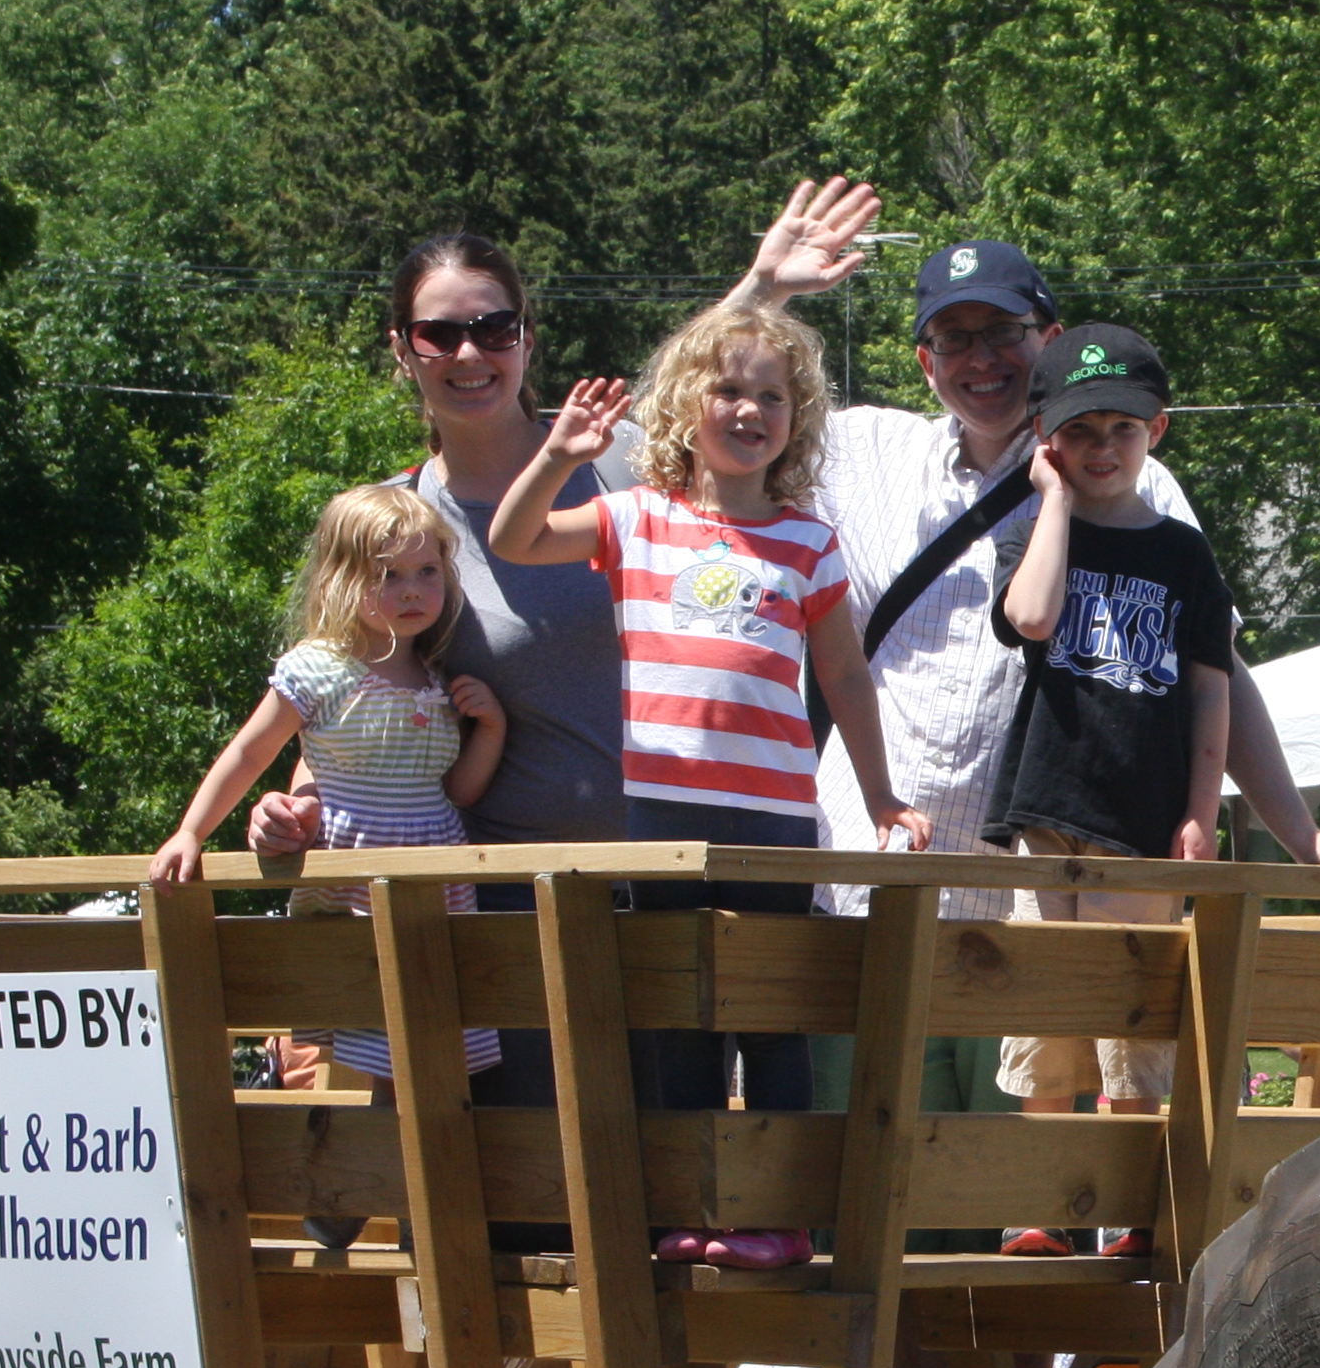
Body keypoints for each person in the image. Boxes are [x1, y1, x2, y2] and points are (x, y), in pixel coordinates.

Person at [712, 183, 1320, 1368]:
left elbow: (1217, 674)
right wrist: (767, 286)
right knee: (879, 1205)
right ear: (924, 355)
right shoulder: (865, 450)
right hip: (881, 875)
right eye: (955, 337)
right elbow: (693, 413)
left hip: (1047, 874)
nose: (982, 358)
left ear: (1050, 340)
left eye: (1006, 333)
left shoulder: (1134, 483)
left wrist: (1295, 829)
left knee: (1030, 1201)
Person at [486, 309, 937, 1265]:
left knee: (768, 1012)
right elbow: (514, 538)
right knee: (679, 1017)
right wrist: (562, 453)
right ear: (686, 409)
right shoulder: (636, 518)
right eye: (729, 389)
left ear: (798, 419)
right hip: (659, 814)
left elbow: (846, 678)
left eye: (772, 395)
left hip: (772, 815)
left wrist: (885, 797)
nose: (749, 409)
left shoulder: (807, 542)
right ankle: (691, 1210)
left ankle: (775, 1218)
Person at [981, 322, 1236, 1192]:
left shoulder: (1183, 553)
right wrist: (1052, 501)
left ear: (1155, 431)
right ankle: (1040, 1210)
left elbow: (1211, 689)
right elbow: (1033, 619)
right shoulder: (1034, 535)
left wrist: (1201, 812)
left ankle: (1132, 1203)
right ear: (1047, 442)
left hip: (1145, 819)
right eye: (1081, 432)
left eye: (1122, 429)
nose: (1102, 449)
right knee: (1046, 1007)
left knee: (1134, 1021)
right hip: (1049, 812)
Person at [150, 484, 507, 1082]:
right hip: (351, 877)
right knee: (361, 1049)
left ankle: (410, 1167)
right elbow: (248, 752)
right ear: (344, 578)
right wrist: (190, 832)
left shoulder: (438, 677)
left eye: (427, 571)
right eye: (388, 575)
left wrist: (491, 727)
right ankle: (366, 1167)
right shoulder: (321, 668)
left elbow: (459, 794)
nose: (413, 589)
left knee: (430, 1049)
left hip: (436, 879)